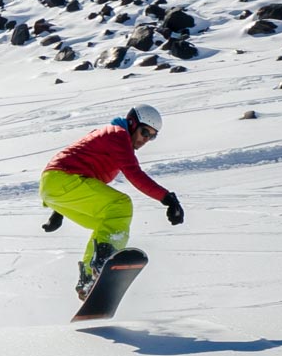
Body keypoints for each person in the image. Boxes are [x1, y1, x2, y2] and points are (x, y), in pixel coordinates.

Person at [40, 103, 185, 300]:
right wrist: (168, 199)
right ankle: (102, 262)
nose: (146, 140)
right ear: (132, 124)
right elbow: (134, 174)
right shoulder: (117, 135)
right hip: (62, 179)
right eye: (144, 132)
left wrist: (59, 211)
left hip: (56, 186)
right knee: (121, 205)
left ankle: (88, 279)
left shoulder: (113, 140)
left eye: (152, 136)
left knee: (107, 222)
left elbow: (91, 183)